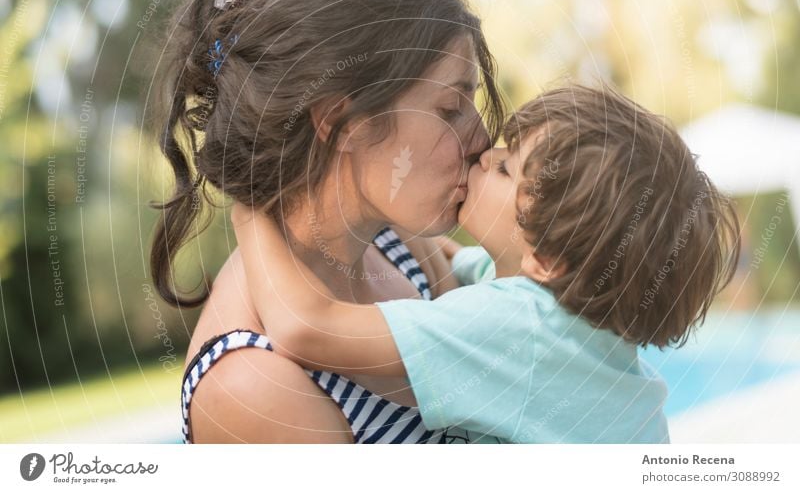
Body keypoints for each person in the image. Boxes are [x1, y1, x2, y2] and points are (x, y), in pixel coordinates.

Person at [232, 83, 742, 443]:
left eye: (504, 170)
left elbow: (304, 327)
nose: (483, 155)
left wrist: (250, 208)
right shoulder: (571, 310)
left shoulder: (514, 328)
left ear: (544, 258)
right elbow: (459, 258)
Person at [147, 0, 507, 443]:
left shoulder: (402, 248)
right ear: (341, 122)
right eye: (450, 108)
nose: (482, 140)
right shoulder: (249, 383)